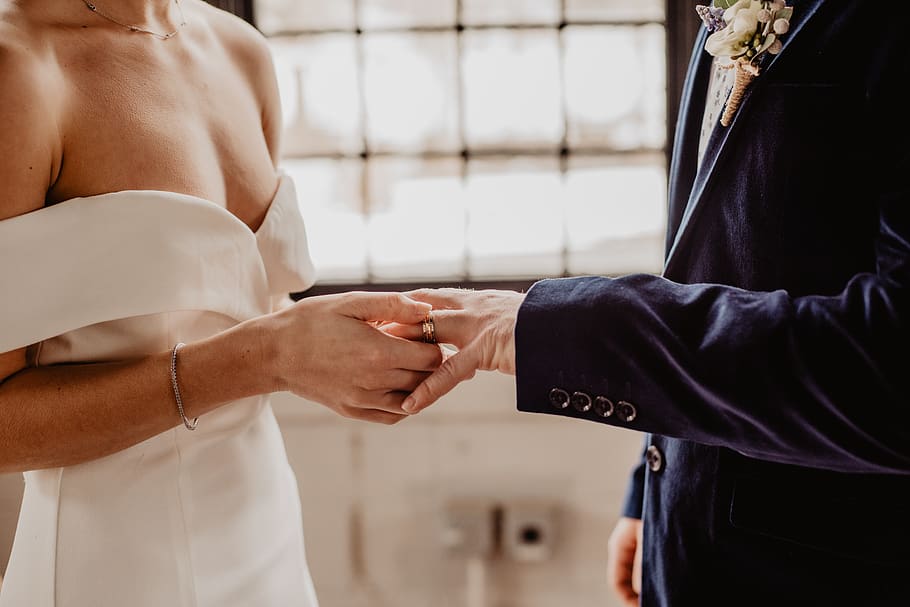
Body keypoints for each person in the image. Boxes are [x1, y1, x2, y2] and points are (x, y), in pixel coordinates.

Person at [396, 2, 910, 605]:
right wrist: (654, 482)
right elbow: (716, 254)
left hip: (833, 566)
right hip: (693, 535)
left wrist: (549, 327)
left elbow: (891, 363)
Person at [0, 1, 441, 605]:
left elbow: (249, 302)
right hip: (113, 567)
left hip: (266, 532)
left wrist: (350, 348)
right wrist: (268, 357)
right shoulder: (17, 67)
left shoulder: (241, 50)